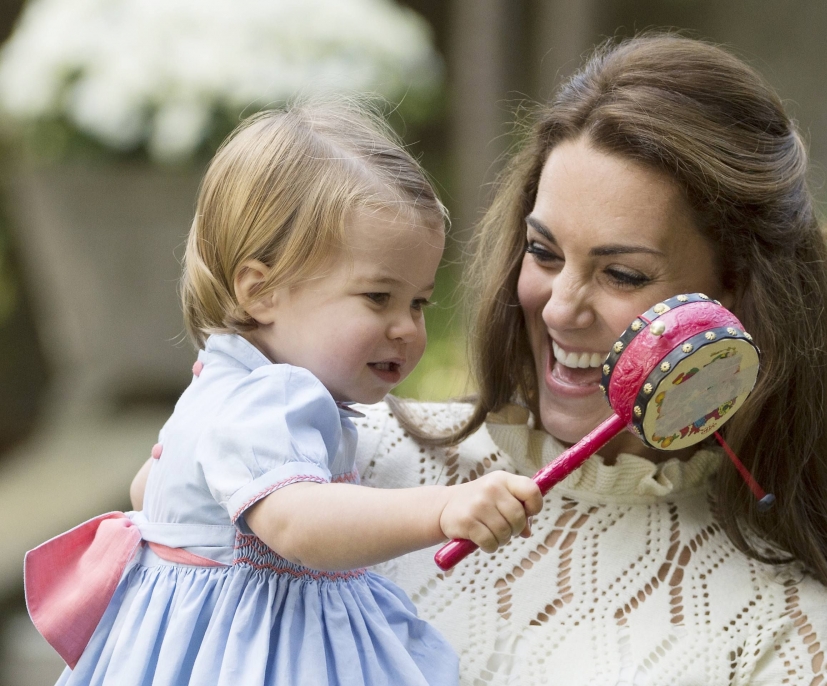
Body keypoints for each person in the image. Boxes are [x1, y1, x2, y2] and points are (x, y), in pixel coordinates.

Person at [353, 34, 827, 686]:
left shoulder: (784, 623)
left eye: (622, 274)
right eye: (545, 253)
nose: (559, 309)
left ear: (735, 296)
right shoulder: (350, 460)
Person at [26, 101, 543, 686]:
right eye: (378, 297)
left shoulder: (218, 380)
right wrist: (442, 507)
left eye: (419, 302)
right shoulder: (273, 397)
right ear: (261, 291)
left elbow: (150, 489)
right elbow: (299, 524)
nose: (406, 327)